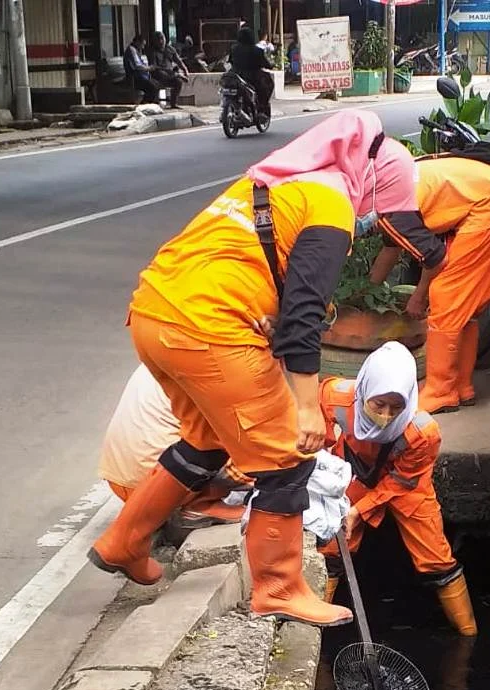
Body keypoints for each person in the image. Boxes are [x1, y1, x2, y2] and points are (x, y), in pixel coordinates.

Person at [87, 109, 446, 628]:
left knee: (206, 442)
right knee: (288, 457)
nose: (374, 220)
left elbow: (257, 271)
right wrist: (305, 409)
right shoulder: (331, 206)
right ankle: (278, 588)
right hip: (209, 326)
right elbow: (302, 315)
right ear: (372, 185)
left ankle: (124, 540)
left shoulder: (279, 185)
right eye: (381, 207)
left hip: (153, 314)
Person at [317, 341, 478, 636]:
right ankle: (314, 626)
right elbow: (318, 436)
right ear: (364, 391)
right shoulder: (334, 397)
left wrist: (359, 511)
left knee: (435, 558)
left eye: (397, 407)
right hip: (353, 476)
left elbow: (404, 480)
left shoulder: (423, 433)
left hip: (405, 485)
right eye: (379, 405)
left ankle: (468, 636)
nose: (387, 415)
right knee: (331, 547)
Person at [370, 156, 490, 413]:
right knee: (468, 305)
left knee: (446, 297)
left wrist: (419, 297)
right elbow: (390, 251)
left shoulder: (391, 214)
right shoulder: (388, 191)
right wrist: (366, 293)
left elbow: (435, 259)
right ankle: (462, 387)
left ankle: (440, 391)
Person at [98, 363, 250, 526]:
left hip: (126, 482)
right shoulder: (231, 364)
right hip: (164, 487)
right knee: (269, 452)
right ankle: (199, 504)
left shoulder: (178, 346)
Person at [230, 26, 273, 117]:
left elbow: (230, 61)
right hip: (252, 76)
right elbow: (265, 63)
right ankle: (261, 108)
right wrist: (270, 65)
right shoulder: (257, 50)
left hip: (235, 75)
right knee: (267, 85)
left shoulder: (234, 48)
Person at [146, 31, 187, 109]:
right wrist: (176, 74)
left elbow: (179, 61)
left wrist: (185, 69)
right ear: (155, 41)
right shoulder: (152, 51)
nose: (161, 41)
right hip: (158, 75)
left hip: (170, 75)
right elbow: (155, 67)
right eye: (158, 39)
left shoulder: (170, 49)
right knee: (162, 74)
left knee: (178, 82)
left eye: (162, 38)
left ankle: (173, 103)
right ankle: (177, 75)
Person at [123, 34, 161, 104]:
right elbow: (137, 66)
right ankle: (144, 104)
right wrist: (149, 68)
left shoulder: (136, 50)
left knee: (157, 84)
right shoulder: (131, 50)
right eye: (142, 44)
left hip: (141, 76)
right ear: (137, 42)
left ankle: (152, 103)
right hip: (135, 78)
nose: (143, 47)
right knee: (152, 87)